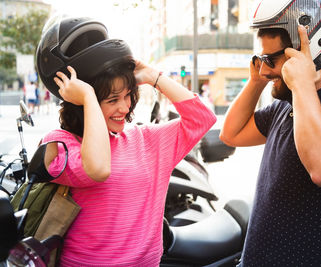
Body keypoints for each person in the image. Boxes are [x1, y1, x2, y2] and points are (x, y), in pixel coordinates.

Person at [36, 16, 216, 266]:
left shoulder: (145, 139)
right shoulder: (60, 144)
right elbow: (98, 168)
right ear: (78, 103)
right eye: (112, 100)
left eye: (128, 95)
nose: (125, 106)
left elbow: (203, 119)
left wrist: (153, 76)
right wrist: (89, 97)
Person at [220, 1, 321, 266]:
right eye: (260, 59)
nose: (265, 70)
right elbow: (230, 134)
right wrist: (256, 81)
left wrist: (302, 81)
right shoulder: (283, 106)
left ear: (311, 51)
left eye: (271, 60)